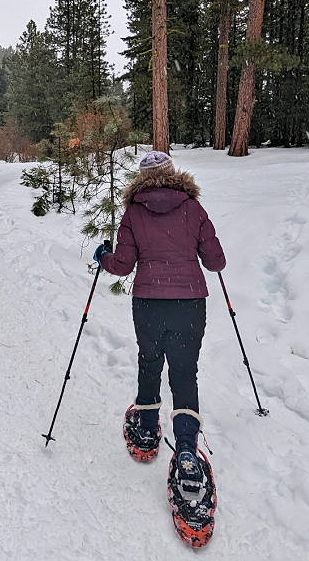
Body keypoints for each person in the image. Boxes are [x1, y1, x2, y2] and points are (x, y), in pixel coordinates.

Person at [93, 150, 225, 489]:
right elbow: (215, 262)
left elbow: (122, 266)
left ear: (142, 179)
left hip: (150, 303)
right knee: (184, 372)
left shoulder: (134, 213)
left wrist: (102, 256)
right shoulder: (193, 208)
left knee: (150, 362)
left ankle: (148, 427)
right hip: (190, 303)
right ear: (173, 173)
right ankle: (186, 450)